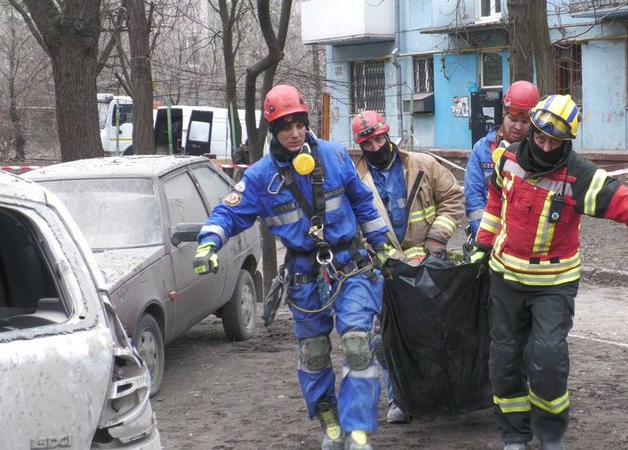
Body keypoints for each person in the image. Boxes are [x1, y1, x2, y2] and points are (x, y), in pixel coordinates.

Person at [470, 94, 628, 450]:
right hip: (506, 278)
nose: (544, 146)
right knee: (504, 361)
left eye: (553, 141)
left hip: (553, 285)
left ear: (567, 141)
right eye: (539, 137)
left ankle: (551, 433)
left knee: (547, 361)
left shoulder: (581, 177)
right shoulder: (505, 158)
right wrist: (483, 244)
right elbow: (496, 202)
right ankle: (514, 434)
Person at [193, 84, 394, 450]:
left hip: (350, 268)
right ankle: (328, 420)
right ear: (273, 129)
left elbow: (364, 203)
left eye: (299, 123)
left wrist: (382, 247)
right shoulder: (259, 178)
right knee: (314, 353)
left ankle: (359, 429)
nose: (295, 132)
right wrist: (210, 242)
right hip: (304, 277)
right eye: (285, 126)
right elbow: (229, 211)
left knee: (357, 346)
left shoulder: (333, 156)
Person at [350, 110, 464, 423]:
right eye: (368, 143)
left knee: (433, 329)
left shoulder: (423, 165)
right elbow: (350, 223)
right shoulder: (353, 177)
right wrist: (376, 254)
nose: (375, 146)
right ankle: (399, 399)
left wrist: (437, 240)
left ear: (388, 135)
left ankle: (437, 394)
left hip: (427, 261)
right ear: (360, 146)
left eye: (379, 138)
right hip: (383, 267)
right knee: (385, 336)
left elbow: (453, 198)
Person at [464, 81, 539, 238]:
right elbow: (474, 199)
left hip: (523, 239)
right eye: (513, 119)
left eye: (524, 122)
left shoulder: (540, 154)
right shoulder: (482, 150)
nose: (518, 127)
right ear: (504, 115)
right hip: (487, 236)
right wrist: (485, 237)